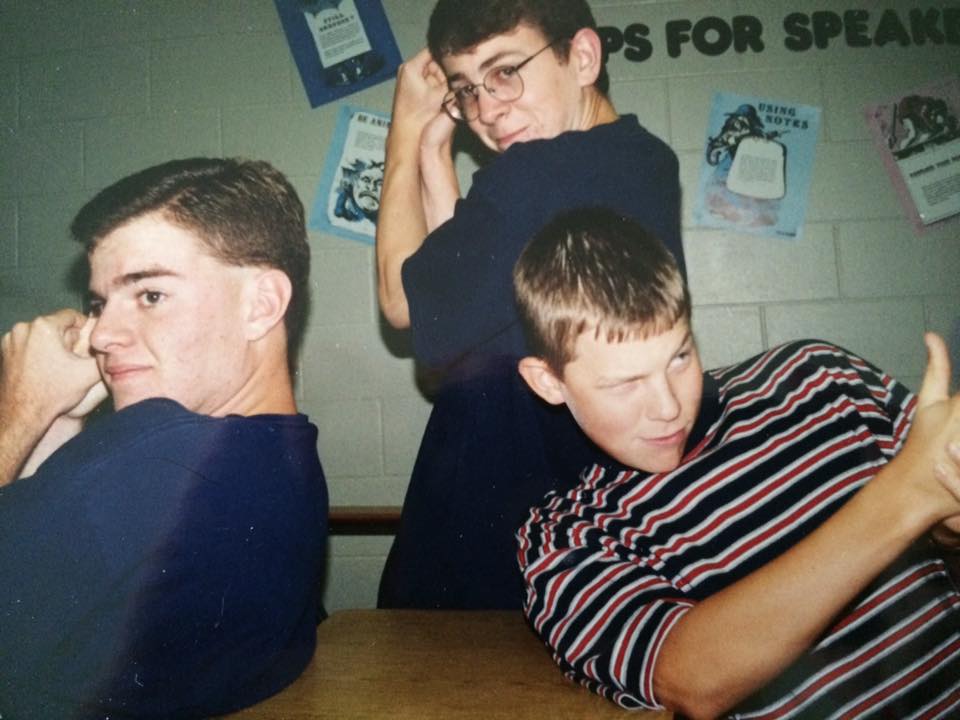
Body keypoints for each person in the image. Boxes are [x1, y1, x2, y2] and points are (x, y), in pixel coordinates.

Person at [512, 207, 960, 719]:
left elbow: (944, 533)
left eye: (680, 357)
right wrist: (902, 500)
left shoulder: (817, 377)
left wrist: (946, 510)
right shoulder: (565, 537)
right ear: (548, 381)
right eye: (625, 383)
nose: (668, 406)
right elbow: (692, 679)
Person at [376, 0, 684, 609]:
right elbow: (468, 288)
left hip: (501, 511)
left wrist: (404, 133)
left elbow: (400, 300)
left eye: (506, 71)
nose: (487, 110)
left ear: (583, 57)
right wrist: (436, 154)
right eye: (466, 89)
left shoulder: (534, 175)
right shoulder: (644, 158)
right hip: (586, 515)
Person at [0, 158, 329, 719]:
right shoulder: (282, 453)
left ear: (262, 305)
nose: (102, 335)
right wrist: (58, 421)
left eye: (150, 295)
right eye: (100, 304)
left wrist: (18, 409)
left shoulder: (161, 452)